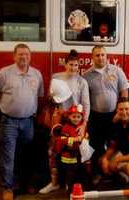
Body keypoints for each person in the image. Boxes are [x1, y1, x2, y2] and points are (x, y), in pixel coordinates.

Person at [0, 43, 44, 200]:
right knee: (8, 156)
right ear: (14, 56)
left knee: (27, 155)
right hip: (8, 122)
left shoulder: (36, 74)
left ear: (30, 56)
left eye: (26, 54)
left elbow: (39, 95)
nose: (24, 57)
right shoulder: (4, 73)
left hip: (28, 122)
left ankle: (26, 183)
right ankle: (8, 187)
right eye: (20, 54)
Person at [39, 49, 90, 193]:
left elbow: (86, 104)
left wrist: (84, 124)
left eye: (76, 65)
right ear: (65, 64)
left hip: (76, 122)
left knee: (76, 153)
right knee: (53, 151)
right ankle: (54, 182)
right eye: (71, 64)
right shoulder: (56, 77)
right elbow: (50, 100)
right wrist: (52, 95)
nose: (73, 68)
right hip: (59, 120)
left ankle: (73, 183)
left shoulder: (82, 82)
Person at [83, 45, 129, 183]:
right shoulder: (86, 75)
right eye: (97, 55)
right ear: (92, 57)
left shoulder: (117, 71)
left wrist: (120, 113)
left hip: (114, 116)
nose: (100, 57)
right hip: (96, 117)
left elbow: (124, 92)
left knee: (114, 144)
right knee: (96, 145)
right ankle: (98, 173)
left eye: (103, 54)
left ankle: (115, 172)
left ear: (106, 56)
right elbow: (85, 98)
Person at [53, 104, 93, 192]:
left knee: (82, 173)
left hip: (80, 156)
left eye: (78, 117)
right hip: (69, 158)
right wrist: (74, 140)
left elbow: (86, 137)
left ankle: (85, 190)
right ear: (69, 117)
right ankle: (70, 191)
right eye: (74, 116)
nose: (76, 119)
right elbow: (62, 140)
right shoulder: (66, 128)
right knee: (70, 176)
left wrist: (85, 138)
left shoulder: (83, 127)